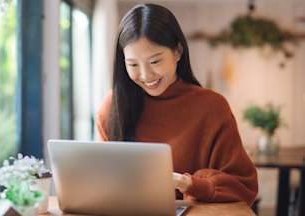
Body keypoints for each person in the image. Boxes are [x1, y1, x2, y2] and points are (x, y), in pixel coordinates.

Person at [96, 3, 258, 206]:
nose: (146, 75)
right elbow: (103, 181)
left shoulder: (212, 107)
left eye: (155, 61)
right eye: (133, 64)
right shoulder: (112, 107)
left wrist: (188, 183)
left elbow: (244, 186)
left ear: (178, 52)